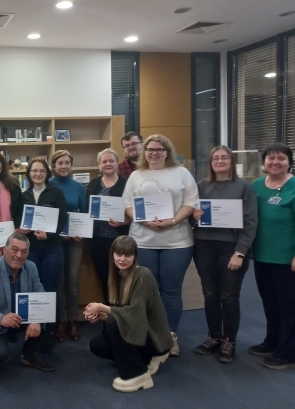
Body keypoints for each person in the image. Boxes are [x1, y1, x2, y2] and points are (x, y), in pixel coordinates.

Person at [123, 134, 198, 356]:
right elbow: (127, 205)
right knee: (148, 290)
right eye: (150, 149)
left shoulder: (181, 173)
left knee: (171, 290)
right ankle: (151, 334)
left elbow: (191, 203)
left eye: (159, 149)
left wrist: (172, 221)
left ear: (167, 152)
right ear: (144, 152)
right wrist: (143, 220)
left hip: (176, 242)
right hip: (143, 240)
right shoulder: (136, 175)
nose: (154, 153)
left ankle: (170, 335)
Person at [191, 146, 257, 363]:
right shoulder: (201, 185)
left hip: (232, 248)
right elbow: (191, 217)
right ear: (210, 162)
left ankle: (229, 340)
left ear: (231, 161)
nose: (219, 161)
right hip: (204, 246)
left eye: (224, 157)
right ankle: (214, 336)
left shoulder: (243, 186)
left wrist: (240, 252)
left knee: (229, 296)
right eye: (215, 158)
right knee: (210, 294)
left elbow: (250, 222)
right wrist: (194, 216)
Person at [85, 236, 173, 393]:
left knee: (114, 323)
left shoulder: (143, 275)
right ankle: (142, 360)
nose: (122, 259)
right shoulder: (117, 276)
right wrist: (103, 315)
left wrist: (102, 307)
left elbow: (135, 314)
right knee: (97, 345)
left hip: (152, 337)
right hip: (138, 333)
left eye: (128, 254)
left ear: (135, 256)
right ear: (112, 255)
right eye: (119, 254)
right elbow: (121, 312)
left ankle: (138, 374)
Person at [250, 142, 295, 370]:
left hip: (290, 260)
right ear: (264, 162)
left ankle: (290, 353)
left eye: (281, 158)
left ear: (290, 163)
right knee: (271, 304)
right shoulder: (257, 186)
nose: (275, 162)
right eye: (271, 158)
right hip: (263, 257)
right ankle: (272, 341)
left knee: (290, 308)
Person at [0, 233, 56, 379]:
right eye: (14, 250)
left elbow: (40, 295)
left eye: (24, 251)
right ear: (4, 250)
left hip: (19, 317)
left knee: (47, 317)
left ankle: (28, 356)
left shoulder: (31, 267)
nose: (19, 255)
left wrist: (37, 320)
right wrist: (0, 318)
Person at [20, 157, 68, 350]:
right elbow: (19, 219)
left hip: (52, 249)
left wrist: (49, 235)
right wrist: (23, 229)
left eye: (41, 170)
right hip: (31, 249)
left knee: (50, 289)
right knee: (32, 288)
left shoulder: (56, 192)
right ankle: (34, 330)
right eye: (34, 171)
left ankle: (49, 331)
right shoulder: (24, 195)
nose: (38, 174)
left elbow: (62, 219)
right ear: (28, 174)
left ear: (47, 173)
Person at [49, 150, 86, 343]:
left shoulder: (78, 186)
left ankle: (73, 320)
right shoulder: (48, 185)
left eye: (67, 163)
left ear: (71, 165)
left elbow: (84, 212)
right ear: (53, 166)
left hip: (75, 240)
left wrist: (82, 231)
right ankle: (61, 320)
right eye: (60, 163)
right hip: (54, 239)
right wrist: (57, 233)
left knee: (72, 281)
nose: (63, 166)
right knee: (58, 280)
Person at [86, 148, 129, 300]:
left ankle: (122, 310)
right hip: (97, 239)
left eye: (111, 161)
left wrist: (124, 221)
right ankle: (109, 310)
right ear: (99, 165)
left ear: (117, 163)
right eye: (104, 161)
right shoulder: (93, 184)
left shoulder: (127, 184)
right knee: (103, 276)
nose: (108, 164)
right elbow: (87, 209)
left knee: (121, 277)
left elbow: (134, 211)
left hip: (119, 239)